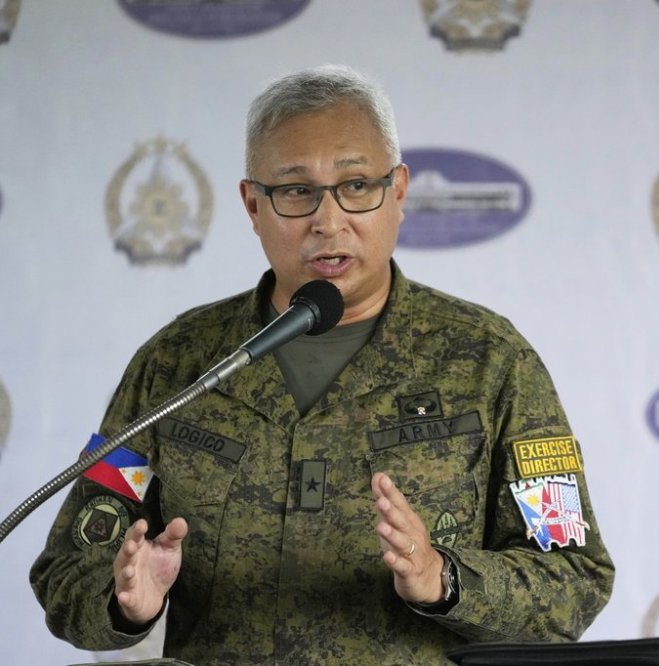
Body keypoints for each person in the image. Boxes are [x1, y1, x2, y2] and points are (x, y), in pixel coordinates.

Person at [30, 64, 614, 665]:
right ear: (252, 204)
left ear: (400, 191)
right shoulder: (177, 364)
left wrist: (444, 579)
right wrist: (129, 603)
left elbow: (573, 579)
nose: (328, 221)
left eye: (357, 185)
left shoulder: (490, 363)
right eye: (295, 191)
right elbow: (67, 575)